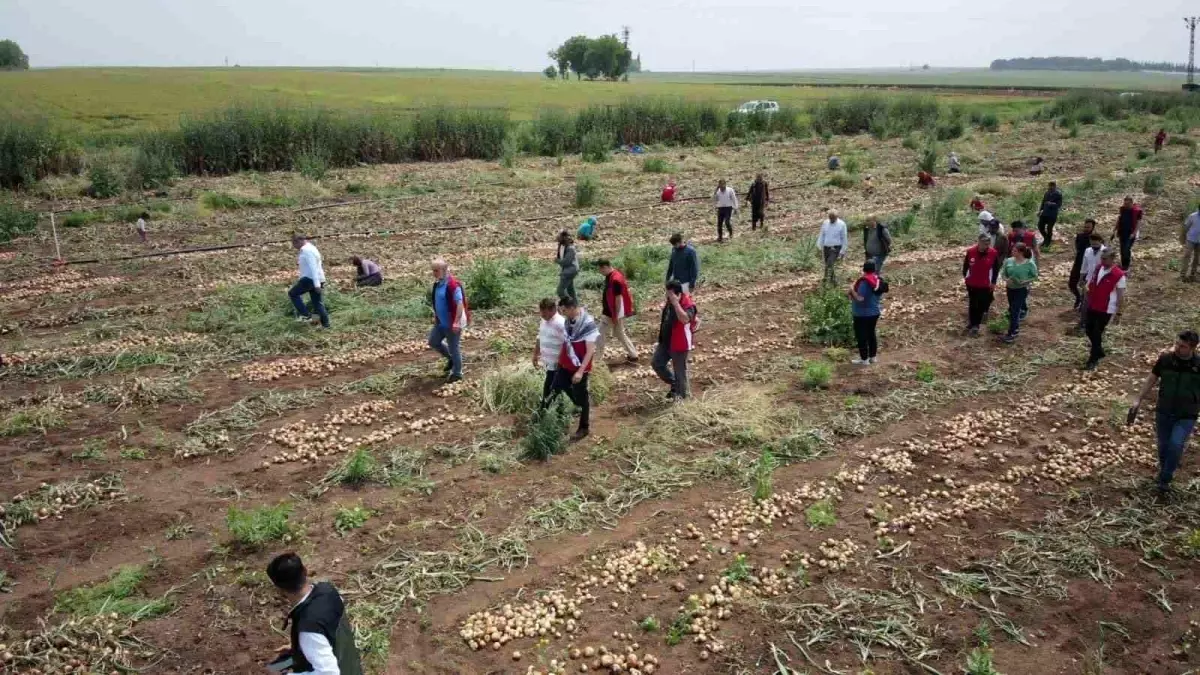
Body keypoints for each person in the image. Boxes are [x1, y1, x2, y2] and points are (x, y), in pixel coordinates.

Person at [266, 552, 363, 675]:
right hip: (346, 659)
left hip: (338, 669)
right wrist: (298, 647)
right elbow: (329, 625)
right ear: (305, 571)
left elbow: (330, 672)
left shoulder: (309, 628)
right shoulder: (328, 590)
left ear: (278, 589)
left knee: (275, 672)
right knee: (274, 667)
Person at [1129, 330, 1200, 496]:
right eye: (1176, 344)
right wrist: (1138, 399)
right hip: (1164, 410)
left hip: (1186, 414)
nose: (1177, 348)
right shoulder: (1166, 360)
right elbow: (1151, 378)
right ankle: (1166, 469)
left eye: (1182, 346)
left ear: (1193, 348)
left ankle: (1165, 479)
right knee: (1163, 446)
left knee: (1175, 445)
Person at [550, 295, 598, 441]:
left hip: (579, 366)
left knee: (582, 396)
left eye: (564, 310)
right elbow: (566, 342)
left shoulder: (588, 324)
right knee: (558, 385)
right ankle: (577, 403)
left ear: (572, 308)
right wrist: (560, 360)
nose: (562, 313)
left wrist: (580, 371)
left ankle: (584, 427)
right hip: (567, 362)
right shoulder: (568, 321)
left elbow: (590, 350)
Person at [652, 280, 698, 400]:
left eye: (670, 294)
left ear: (678, 294)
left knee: (680, 372)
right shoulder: (669, 301)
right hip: (666, 341)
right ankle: (674, 384)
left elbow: (685, 319)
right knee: (657, 363)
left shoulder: (688, 304)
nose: (667, 296)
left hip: (679, 343)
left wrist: (676, 304)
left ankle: (681, 397)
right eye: (667, 293)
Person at [1082, 249, 1125, 371]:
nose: (1102, 261)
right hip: (1093, 304)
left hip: (1106, 309)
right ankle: (1099, 351)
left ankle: (1093, 358)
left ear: (1112, 259)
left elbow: (1121, 296)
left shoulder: (1119, 275)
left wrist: (1119, 313)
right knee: (1089, 329)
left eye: (1105, 258)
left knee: (1096, 332)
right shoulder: (1098, 268)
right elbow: (1092, 281)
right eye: (1102, 258)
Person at [429, 258, 468, 383]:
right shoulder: (437, 284)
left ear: (445, 270)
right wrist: (436, 316)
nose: (434, 273)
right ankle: (451, 359)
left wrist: (456, 322)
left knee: (454, 348)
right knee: (433, 341)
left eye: (436, 270)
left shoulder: (453, 285)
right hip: (441, 323)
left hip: (452, 323)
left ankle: (457, 373)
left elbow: (459, 304)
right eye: (433, 270)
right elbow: (438, 302)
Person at [596, 259, 638, 363]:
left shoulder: (615, 280)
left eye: (600, 270)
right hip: (613, 311)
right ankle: (633, 355)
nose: (600, 272)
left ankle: (597, 360)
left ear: (605, 267)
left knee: (599, 334)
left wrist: (615, 315)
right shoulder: (613, 275)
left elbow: (618, 299)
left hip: (611, 312)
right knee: (619, 333)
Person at [962, 233, 1002, 337]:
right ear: (979, 242)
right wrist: (966, 278)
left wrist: (993, 282)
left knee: (981, 304)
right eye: (984, 243)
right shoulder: (971, 252)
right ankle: (972, 322)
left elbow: (996, 269)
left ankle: (976, 325)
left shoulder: (993, 253)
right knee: (972, 303)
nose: (986, 245)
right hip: (972, 283)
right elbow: (966, 267)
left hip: (985, 284)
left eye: (988, 243)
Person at [289, 234, 330, 329]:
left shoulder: (307, 251)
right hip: (316, 279)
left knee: (292, 293)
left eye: (293, 243)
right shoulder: (311, 248)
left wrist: (316, 284)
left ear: (298, 241)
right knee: (317, 303)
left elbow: (313, 267)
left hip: (311, 279)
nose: (294, 246)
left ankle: (306, 315)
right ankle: (326, 325)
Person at [1000, 243, 1038, 343]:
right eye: (1012, 250)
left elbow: (1034, 276)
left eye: (1015, 251)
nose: (1012, 252)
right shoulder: (1009, 261)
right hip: (1010, 288)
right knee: (1012, 308)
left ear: (1021, 252)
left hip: (1022, 289)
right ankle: (1015, 328)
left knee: (1015, 310)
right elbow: (1003, 274)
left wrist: (1026, 281)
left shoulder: (1029, 263)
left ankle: (1012, 333)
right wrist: (1006, 279)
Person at [848, 260, 883, 365]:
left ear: (864, 269)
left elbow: (860, 298)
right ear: (874, 269)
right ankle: (873, 357)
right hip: (874, 312)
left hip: (862, 314)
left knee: (861, 335)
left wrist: (851, 290)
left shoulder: (864, 282)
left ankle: (864, 359)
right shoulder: (878, 280)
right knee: (871, 334)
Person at [533, 298, 567, 403]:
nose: (541, 314)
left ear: (553, 310)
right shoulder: (543, 321)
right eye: (541, 311)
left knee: (549, 392)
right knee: (556, 391)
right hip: (549, 364)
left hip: (558, 364)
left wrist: (561, 363)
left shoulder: (561, 324)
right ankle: (560, 411)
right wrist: (535, 354)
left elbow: (567, 345)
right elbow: (540, 337)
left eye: (544, 312)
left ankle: (544, 412)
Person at [1077, 232, 1107, 329]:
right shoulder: (1088, 251)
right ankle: (1083, 322)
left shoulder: (1105, 252)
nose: (1094, 246)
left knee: (1097, 304)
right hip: (1089, 281)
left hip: (1101, 282)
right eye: (1092, 244)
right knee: (1085, 303)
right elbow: (1084, 265)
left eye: (1095, 244)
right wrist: (1081, 278)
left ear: (1100, 241)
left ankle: (1096, 323)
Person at [1068, 219, 1097, 309]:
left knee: (1086, 286)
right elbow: (1077, 248)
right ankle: (1078, 298)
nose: (1086, 229)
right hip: (1078, 263)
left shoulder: (1095, 239)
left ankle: (1084, 304)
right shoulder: (1079, 236)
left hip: (1089, 266)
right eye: (1085, 226)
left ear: (1093, 228)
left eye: (1088, 227)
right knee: (1072, 284)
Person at [817, 210, 848, 285]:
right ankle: (833, 281)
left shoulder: (842, 224)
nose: (831, 220)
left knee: (830, 263)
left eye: (833, 218)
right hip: (826, 247)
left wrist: (842, 251)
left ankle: (825, 280)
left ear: (836, 217)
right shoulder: (825, 223)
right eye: (830, 218)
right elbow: (822, 234)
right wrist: (819, 245)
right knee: (827, 264)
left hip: (836, 248)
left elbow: (844, 238)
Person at [1113, 196, 1143, 271]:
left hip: (1130, 233)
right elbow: (1119, 219)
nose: (1126, 205)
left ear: (1132, 203)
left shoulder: (1136, 211)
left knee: (1126, 249)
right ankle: (1123, 265)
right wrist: (1115, 229)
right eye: (1125, 203)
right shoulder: (1123, 209)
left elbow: (1138, 223)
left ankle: (1126, 265)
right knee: (1122, 249)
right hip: (1122, 232)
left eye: (1128, 204)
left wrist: (1134, 233)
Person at [1037, 181, 1064, 248]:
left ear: (1055, 186)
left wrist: (1051, 204)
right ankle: (1046, 239)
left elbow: (1059, 205)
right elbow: (1043, 202)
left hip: (1052, 214)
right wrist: (1040, 211)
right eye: (1049, 186)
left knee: (1049, 228)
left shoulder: (1058, 194)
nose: (1050, 187)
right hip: (1044, 213)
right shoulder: (1047, 193)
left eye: (1052, 186)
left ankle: (1048, 242)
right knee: (1040, 226)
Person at [555, 231, 579, 301]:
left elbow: (566, 262)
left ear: (564, 237)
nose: (557, 238)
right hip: (568, 270)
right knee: (570, 290)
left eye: (559, 236)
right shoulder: (563, 245)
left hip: (570, 271)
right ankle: (575, 305)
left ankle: (569, 305)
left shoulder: (570, 248)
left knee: (560, 291)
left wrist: (557, 261)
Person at [1181, 207, 1200, 282]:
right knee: (1187, 255)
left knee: (1197, 258)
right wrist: (1183, 237)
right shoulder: (1193, 216)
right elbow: (1186, 226)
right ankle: (1183, 275)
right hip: (1190, 239)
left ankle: (1193, 274)